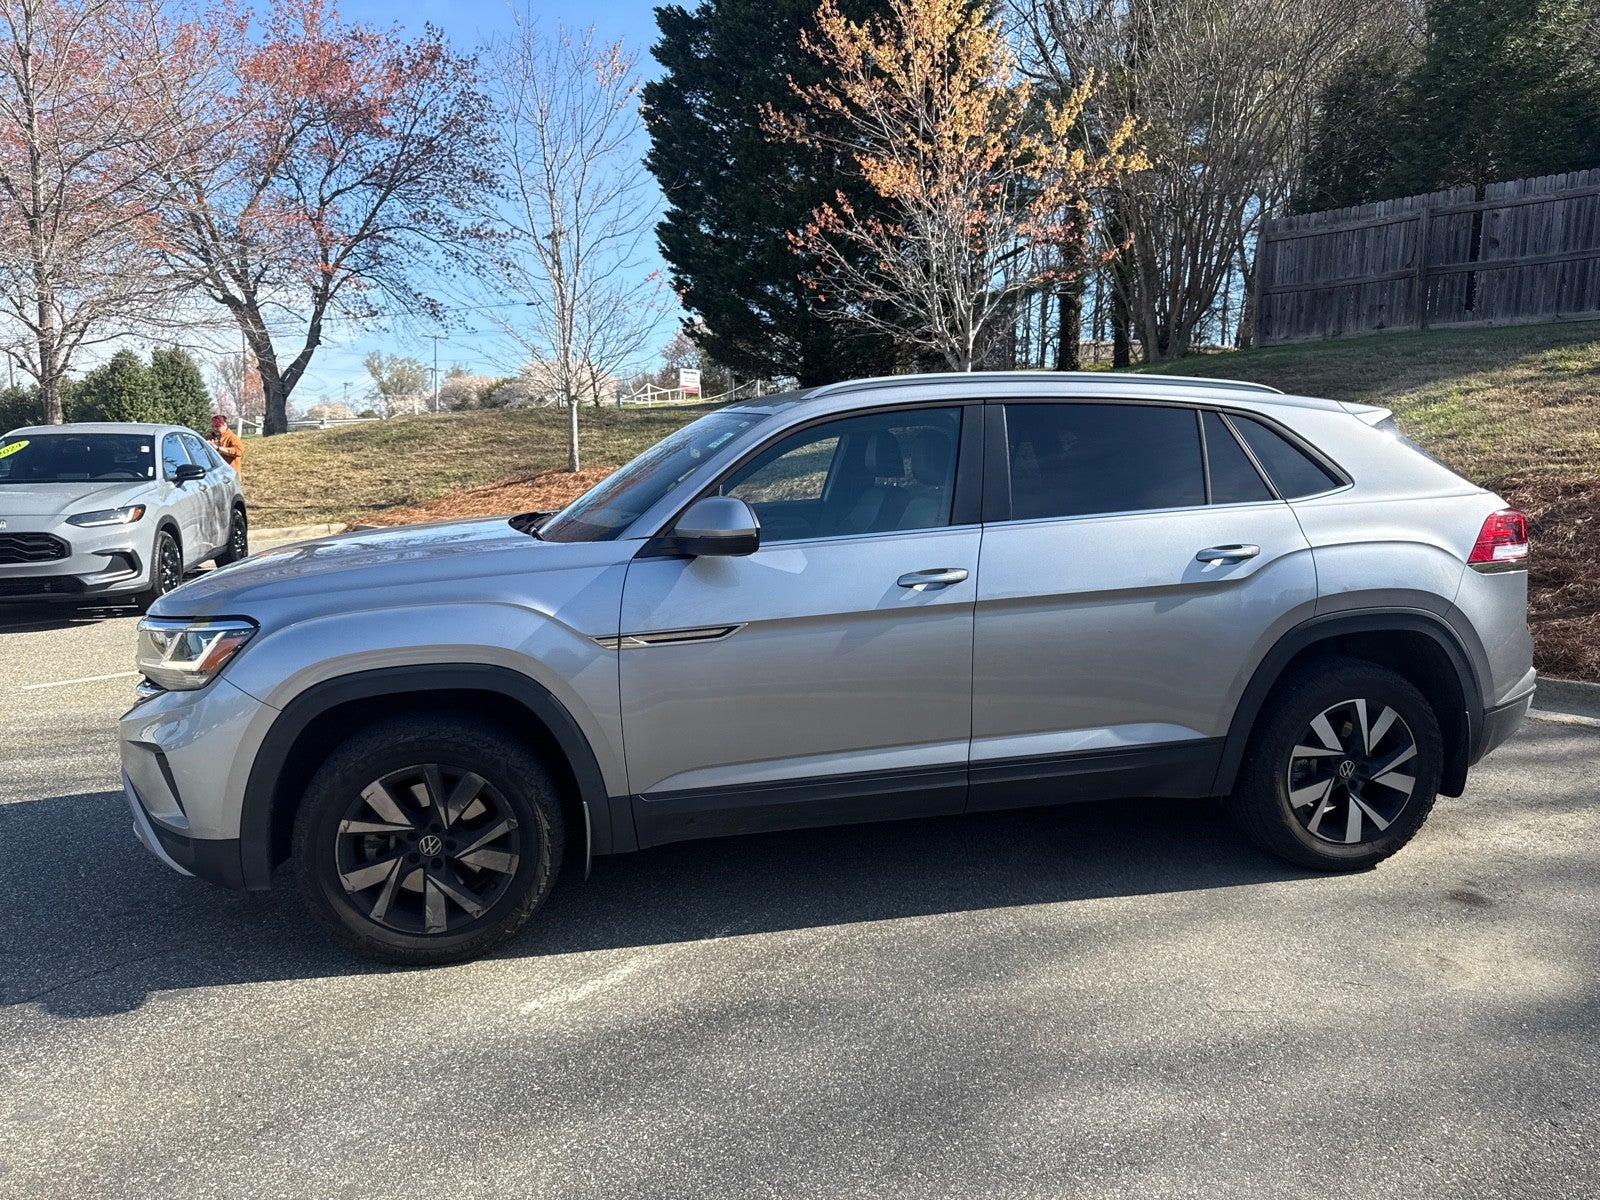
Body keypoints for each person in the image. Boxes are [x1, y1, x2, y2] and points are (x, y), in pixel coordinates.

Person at [210, 415, 244, 479]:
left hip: (230, 477)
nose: (214, 429)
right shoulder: (209, 438)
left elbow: (239, 451)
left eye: (217, 426)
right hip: (214, 477)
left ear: (225, 425)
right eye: (213, 426)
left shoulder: (232, 437)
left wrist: (218, 448)